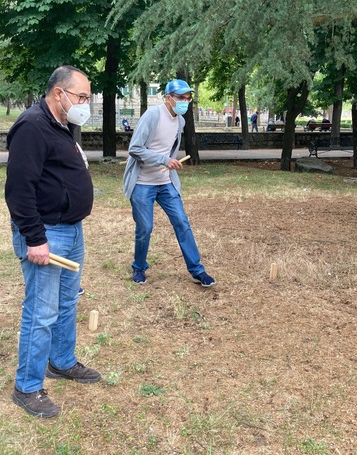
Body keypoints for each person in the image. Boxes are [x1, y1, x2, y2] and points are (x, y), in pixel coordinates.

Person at [5, 65, 101, 418]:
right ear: (58, 93)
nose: (85, 104)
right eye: (81, 97)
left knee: (66, 303)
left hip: (71, 229)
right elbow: (18, 190)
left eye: (88, 98)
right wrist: (35, 238)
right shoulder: (32, 126)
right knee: (41, 312)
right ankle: (27, 387)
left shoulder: (65, 123)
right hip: (46, 233)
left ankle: (60, 361)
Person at [123, 78, 215, 288]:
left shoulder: (180, 121)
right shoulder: (153, 115)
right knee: (145, 228)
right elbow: (135, 148)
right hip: (142, 183)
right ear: (168, 98)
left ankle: (197, 270)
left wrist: (169, 164)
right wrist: (164, 160)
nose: (185, 101)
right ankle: (139, 267)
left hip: (165, 183)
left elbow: (169, 148)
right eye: (181, 97)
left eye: (188, 98)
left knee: (182, 222)